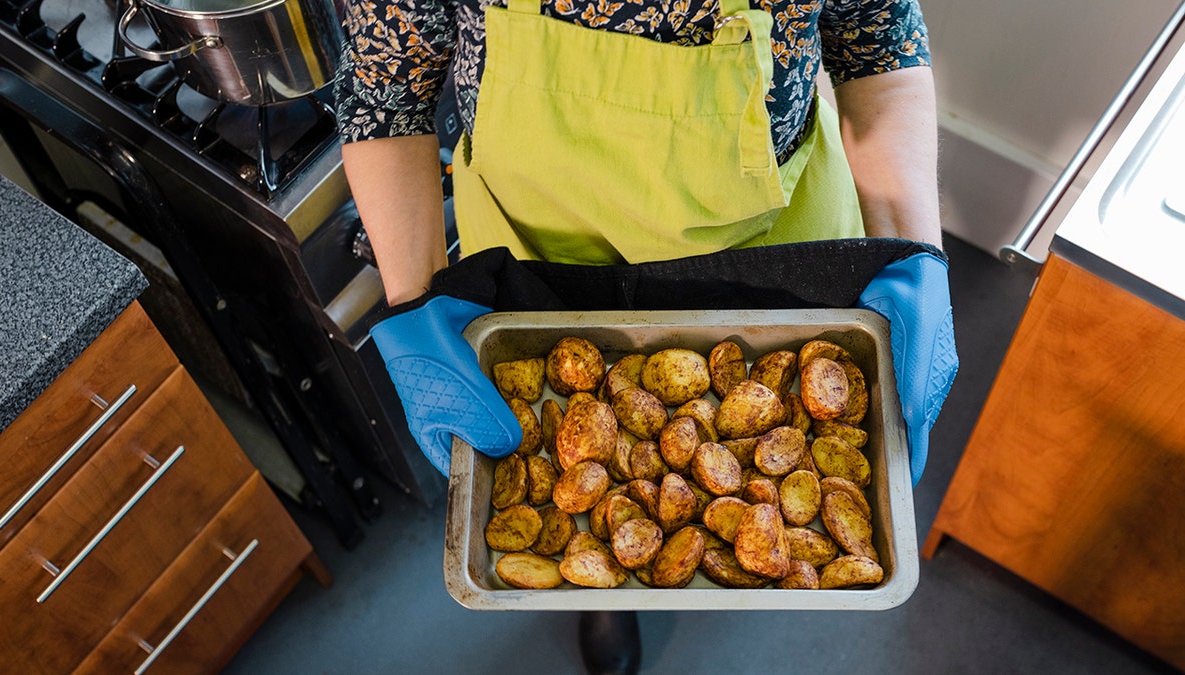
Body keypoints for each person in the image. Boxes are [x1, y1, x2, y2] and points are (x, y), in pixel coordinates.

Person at [335, 1, 958, 673]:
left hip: (774, 261)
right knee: (575, 492)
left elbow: (879, 48)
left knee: (753, 510)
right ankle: (601, 577)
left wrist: (913, 254)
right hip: (539, 261)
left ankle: (710, 558)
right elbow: (386, 86)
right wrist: (414, 299)